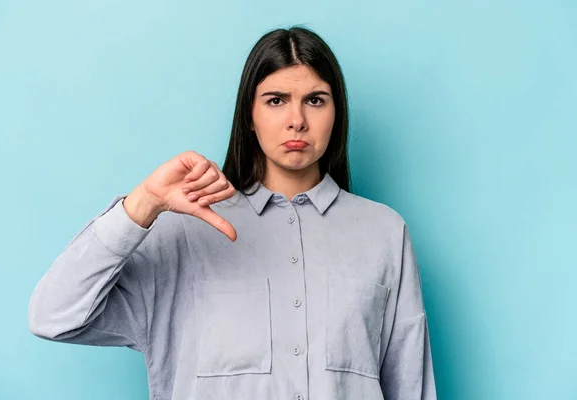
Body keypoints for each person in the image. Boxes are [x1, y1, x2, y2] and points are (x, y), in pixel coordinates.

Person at [28, 26, 437, 400]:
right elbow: (53, 316)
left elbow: (411, 387)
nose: (297, 121)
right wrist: (143, 203)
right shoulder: (183, 234)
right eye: (276, 100)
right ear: (250, 117)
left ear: (337, 113)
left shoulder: (384, 233)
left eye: (315, 100)